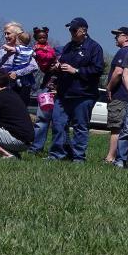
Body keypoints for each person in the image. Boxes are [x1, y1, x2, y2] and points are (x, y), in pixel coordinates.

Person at [48, 17, 104, 163]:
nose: (71, 32)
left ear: (83, 31)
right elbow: (62, 63)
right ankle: (56, 154)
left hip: (84, 94)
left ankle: (78, 157)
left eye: (74, 30)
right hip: (64, 93)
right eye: (70, 30)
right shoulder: (68, 47)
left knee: (80, 126)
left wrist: (77, 71)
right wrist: (57, 68)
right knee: (58, 123)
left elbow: (97, 70)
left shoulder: (94, 48)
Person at [106, 26, 128, 164]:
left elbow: (118, 72)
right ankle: (126, 157)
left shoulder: (123, 52)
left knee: (116, 127)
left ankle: (111, 157)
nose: (115, 37)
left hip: (120, 95)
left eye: (118, 35)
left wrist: (108, 87)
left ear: (127, 38)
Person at [0, 22, 39, 106]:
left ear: (17, 35)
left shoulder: (24, 50)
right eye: (5, 34)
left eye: (8, 33)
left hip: (22, 88)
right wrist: (6, 55)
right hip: (6, 87)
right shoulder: (3, 50)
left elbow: (34, 66)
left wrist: (16, 73)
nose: (6, 36)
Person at [28, 26, 58, 154]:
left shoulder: (49, 48)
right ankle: (36, 147)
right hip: (40, 82)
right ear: (36, 38)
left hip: (49, 82)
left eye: (44, 37)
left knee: (48, 117)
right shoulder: (35, 50)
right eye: (40, 37)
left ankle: (55, 148)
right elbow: (46, 58)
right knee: (42, 118)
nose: (42, 39)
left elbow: (52, 56)